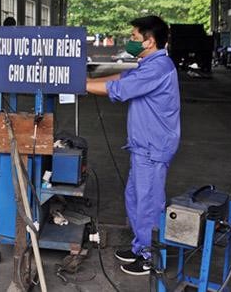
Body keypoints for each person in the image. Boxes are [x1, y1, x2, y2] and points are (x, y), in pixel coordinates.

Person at [86, 16, 180, 276]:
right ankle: (140, 246)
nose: (132, 42)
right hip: (142, 146)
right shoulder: (148, 63)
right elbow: (124, 74)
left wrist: (80, 85)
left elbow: (120, 88)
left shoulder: (158, 68)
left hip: (153, 147)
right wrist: (92, 72)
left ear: (149, 41)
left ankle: (150, 256)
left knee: (148, 201)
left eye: (136, 38)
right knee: (135, 197)